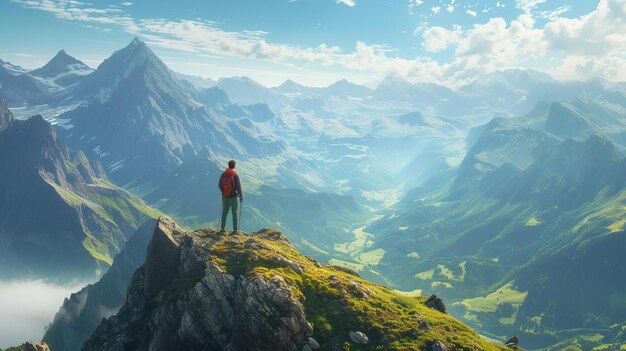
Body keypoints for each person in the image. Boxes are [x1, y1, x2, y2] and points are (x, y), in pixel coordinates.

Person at [218, 160, 244, 233]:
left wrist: (224, 192)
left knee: (224, 212)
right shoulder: (235, 175)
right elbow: (238, 187)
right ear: (234, 166)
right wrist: (241, 195)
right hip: (233, 197)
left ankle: (222, 228)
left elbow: (220, 185)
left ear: (228, 165)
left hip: (225, 197)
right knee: (234, 213)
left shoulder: (223, 174)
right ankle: (235, 230)